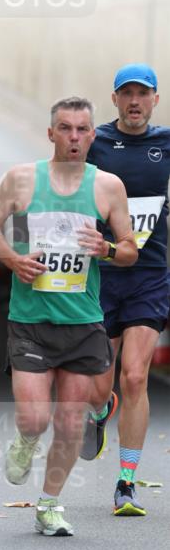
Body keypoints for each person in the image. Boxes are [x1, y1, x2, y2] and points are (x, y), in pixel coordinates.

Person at [0, 96, 137, 537]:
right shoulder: (22, 179)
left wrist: (104, 248)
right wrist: (13, 259)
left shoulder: (107, 186)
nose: (74, 137)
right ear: (51, 133)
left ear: (93, 135)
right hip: (30, 317)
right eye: (65, 129)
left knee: (70, 421)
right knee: (35, 418)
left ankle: (49, 505)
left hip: (83, 321)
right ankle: (26, 440)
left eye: (82, 129)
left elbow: (129, 250)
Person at [82, 63, 169, 516]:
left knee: (136, 375)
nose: (135, 101)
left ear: (155, 100)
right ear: (114, 100)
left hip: (150, 275)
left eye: (143, 93)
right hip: (100, 276)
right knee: (99, 387)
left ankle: (127, 483)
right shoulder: (94, 141)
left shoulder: (166, 143)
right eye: (126, 94)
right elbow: (61, 188)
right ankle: (98, 411)